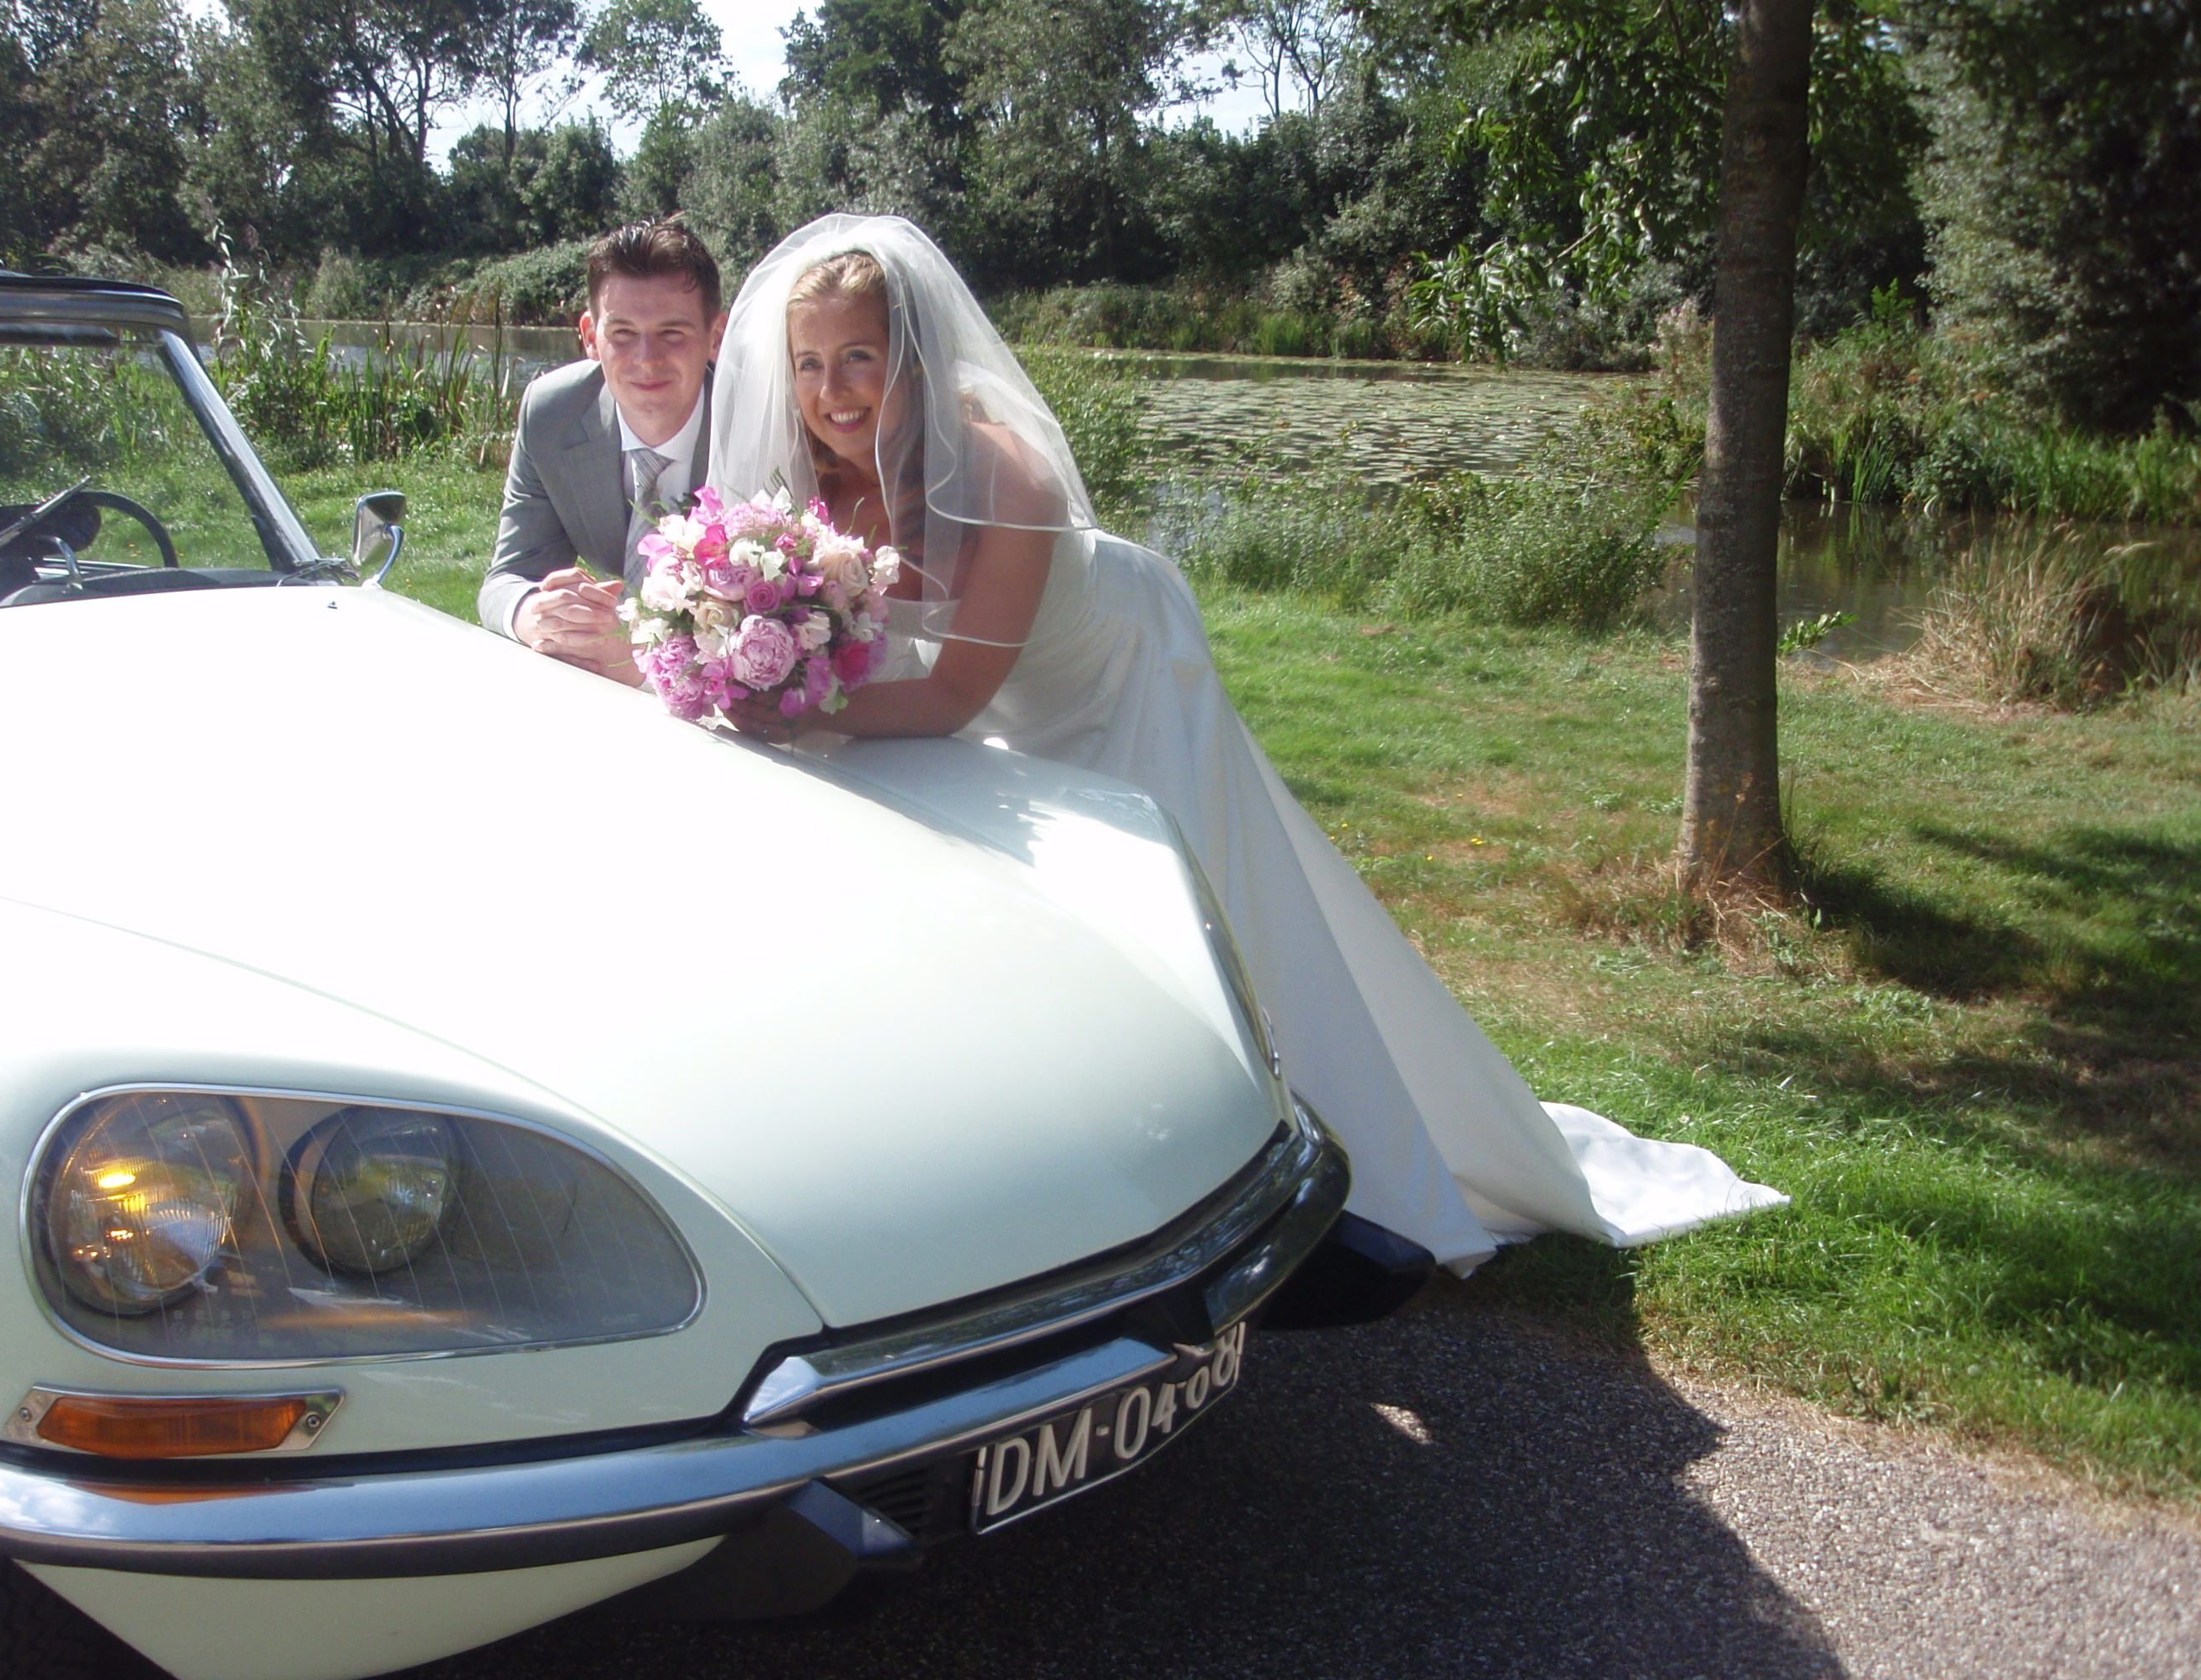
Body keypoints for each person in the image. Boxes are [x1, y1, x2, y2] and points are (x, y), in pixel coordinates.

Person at [708, 213, 1784, 1274]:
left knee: (1202, 915)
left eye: (860, 356)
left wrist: (797, 710)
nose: (832, 389)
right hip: (1008, 704)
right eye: (808, 362)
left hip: (1121, 672)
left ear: (915, 358)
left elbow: (950, 692)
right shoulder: (815, 488)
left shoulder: (1005, 479)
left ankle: (1297, 1157)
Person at [481, 216, 726, 683]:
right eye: (623, 334)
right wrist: (536, 614)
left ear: (715, 336)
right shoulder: (552, 413)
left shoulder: (755, 423)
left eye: (672, 332)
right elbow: (506, 579)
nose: (647, 359)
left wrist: (637, 658)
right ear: (590, 336)